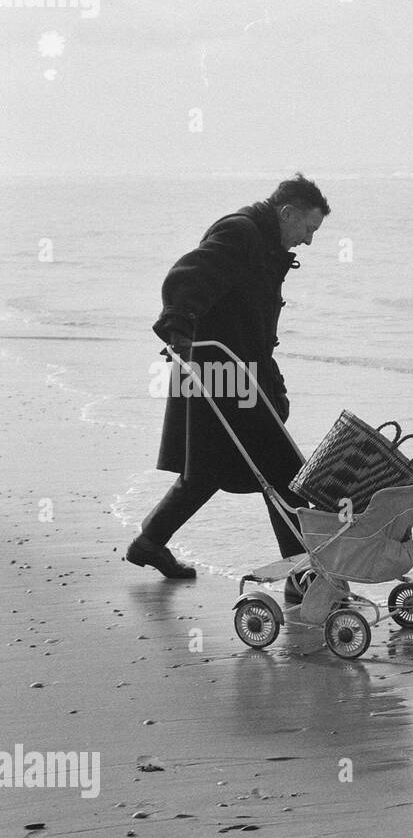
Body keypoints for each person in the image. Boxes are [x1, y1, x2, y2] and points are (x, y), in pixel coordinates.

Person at [126, 174, 329, 592]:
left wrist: (270, 380)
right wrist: (177, 329)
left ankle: (149, 543)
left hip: (233, 372)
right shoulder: (241, 233)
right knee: (283, 472)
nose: (308, 240)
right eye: (308, 228)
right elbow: (187, 277)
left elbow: (247, 316)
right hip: (218, 373)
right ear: (287, 212)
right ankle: (302, 574)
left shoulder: (266, 242)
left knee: (206, 472)